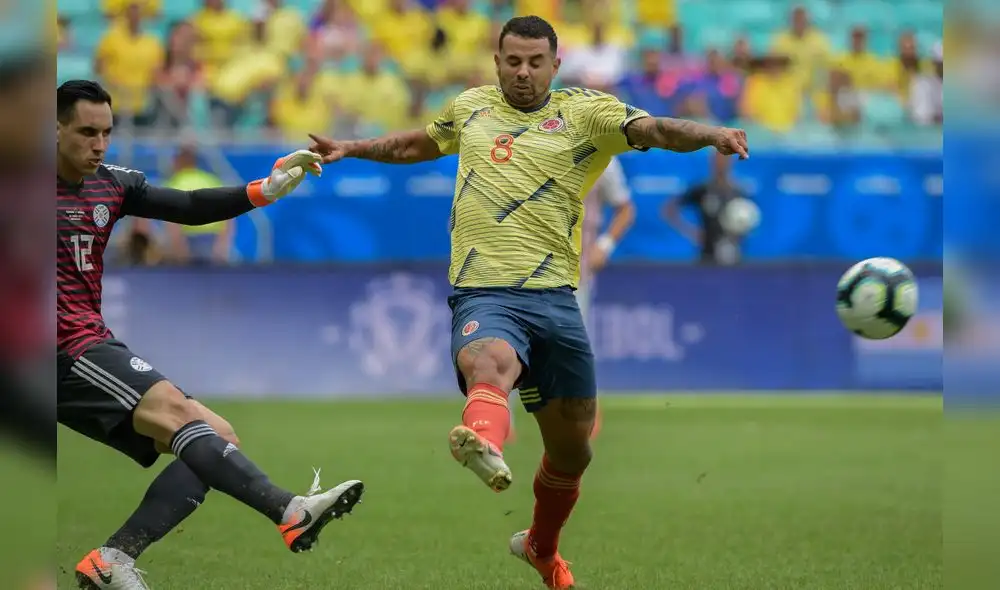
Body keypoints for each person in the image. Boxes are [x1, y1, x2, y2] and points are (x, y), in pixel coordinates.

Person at [307, 16, 747, 590]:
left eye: (535, 62)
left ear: (554, 65)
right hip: (485, 291)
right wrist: (353, 147)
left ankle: (540, 547)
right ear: (497, 62)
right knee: (489, 362)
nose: (523, 72)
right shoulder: (471, 107)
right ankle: (484, 440)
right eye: (512, 61)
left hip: (557, 298)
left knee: (573, 452)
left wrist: (710, 133)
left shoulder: (588, 114)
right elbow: (419, 143)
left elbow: (657, 129)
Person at [57, 80, 364, 590]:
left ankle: (112, 559)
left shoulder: (111, 184)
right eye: (87, 133)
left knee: (215, 436)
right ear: (54, 129)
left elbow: (189, 205)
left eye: (107, 133)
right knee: (179, 413)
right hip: (58, 347)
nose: (100, 144)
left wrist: (263, 190)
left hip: (87, 339)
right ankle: (290, 510)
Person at [662, 150, 749, 266]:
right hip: (707, 257)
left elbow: (750, 220)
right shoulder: (703, 189)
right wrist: (692, 232)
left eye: (724, 159)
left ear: (730, 162)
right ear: (712, 162)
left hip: (733, 256)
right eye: (717, 159)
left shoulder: (739, 192)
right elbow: (669, 209)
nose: (721, 163)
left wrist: (741, 232)